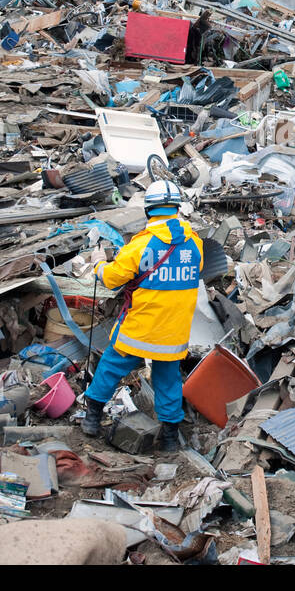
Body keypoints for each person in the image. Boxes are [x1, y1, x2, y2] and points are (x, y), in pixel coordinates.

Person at [80, 180, 203, 453]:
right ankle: (170, 437)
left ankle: (91, 419)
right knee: (168, 380)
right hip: (174, 332)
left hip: (140, 327)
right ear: (177, 208)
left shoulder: (140, 246)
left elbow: (112, 279)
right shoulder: (195, 244)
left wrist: (99, 264)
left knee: (110, 367)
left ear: (149, 211)